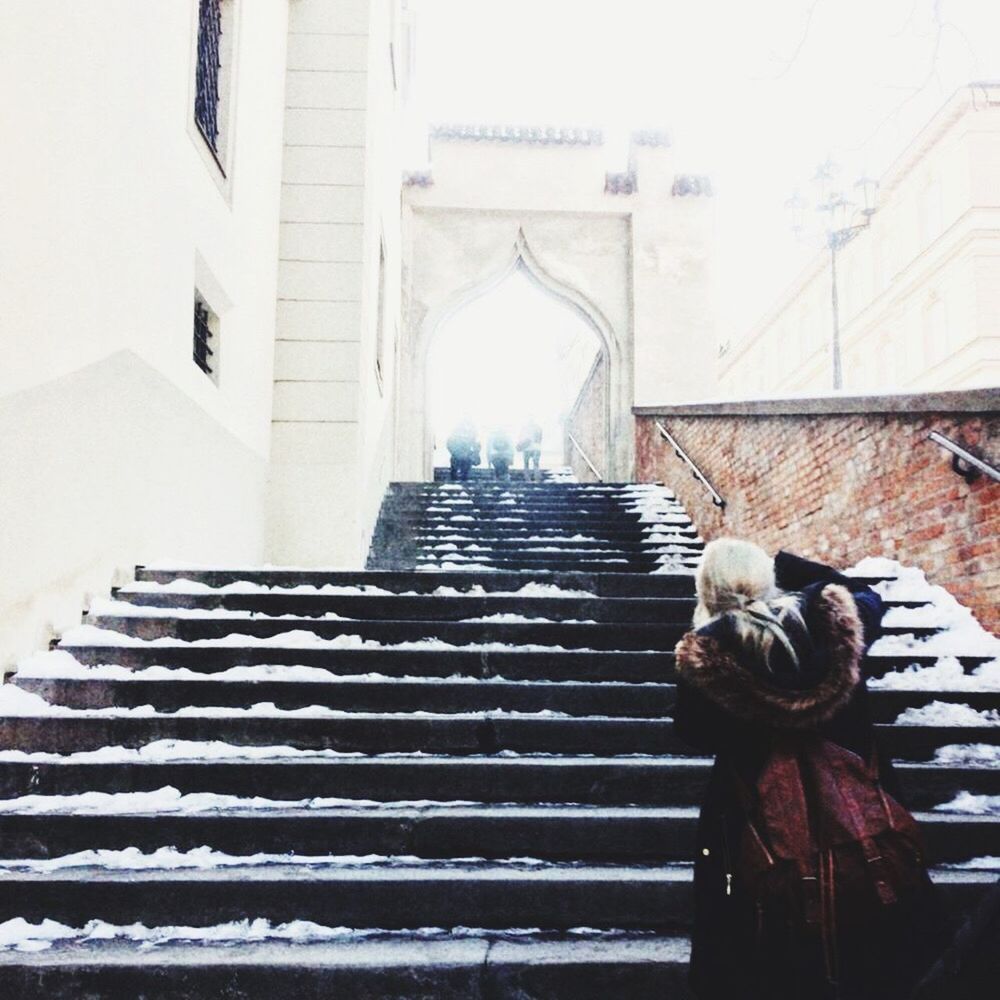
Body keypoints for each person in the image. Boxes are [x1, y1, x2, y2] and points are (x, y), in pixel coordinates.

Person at [673, 539, 944, 1000]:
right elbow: (865, 594)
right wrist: (794, 567)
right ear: (765, 579)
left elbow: (693, 734)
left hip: (757, 827)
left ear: (709, 589)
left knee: (760, 942)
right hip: (861, 815)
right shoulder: (829, 624)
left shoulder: (704, 657)